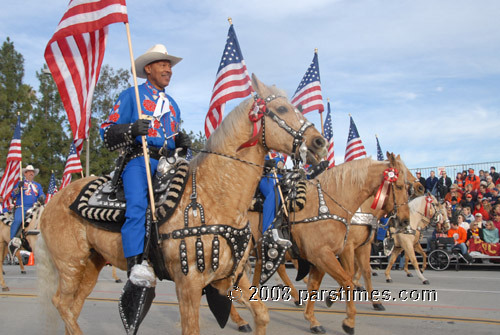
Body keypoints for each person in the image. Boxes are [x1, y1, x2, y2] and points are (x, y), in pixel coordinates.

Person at [99, 44, 191, 281]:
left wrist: (181, 142)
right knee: (138, 204)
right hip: (140, 159)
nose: (168, 69)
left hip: (169, 163)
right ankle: (136, 263)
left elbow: (174, 139)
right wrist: (131, 129)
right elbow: (106, 131)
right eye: (163, 64)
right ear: (148, 69)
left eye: (169, 65)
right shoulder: (132, 95)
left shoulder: (173, 105)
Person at [9, 165, 45, 254]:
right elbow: (13, 195)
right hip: (22, 207)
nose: (31, 173)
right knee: (18, 220)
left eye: (32, 171)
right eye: (29, 171)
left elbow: (42, 194)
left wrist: (41, 197)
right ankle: (13, 239)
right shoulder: (20, 183)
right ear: (25, 173)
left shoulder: (37, 185)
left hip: (35, 207)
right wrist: (18, 187)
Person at [258, 155, 291, 246]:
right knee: (273, 193)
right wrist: (265, 164)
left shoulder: (281, 151)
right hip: (266, 177)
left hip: (281, 177)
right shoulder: (265, 147)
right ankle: (268, 232)